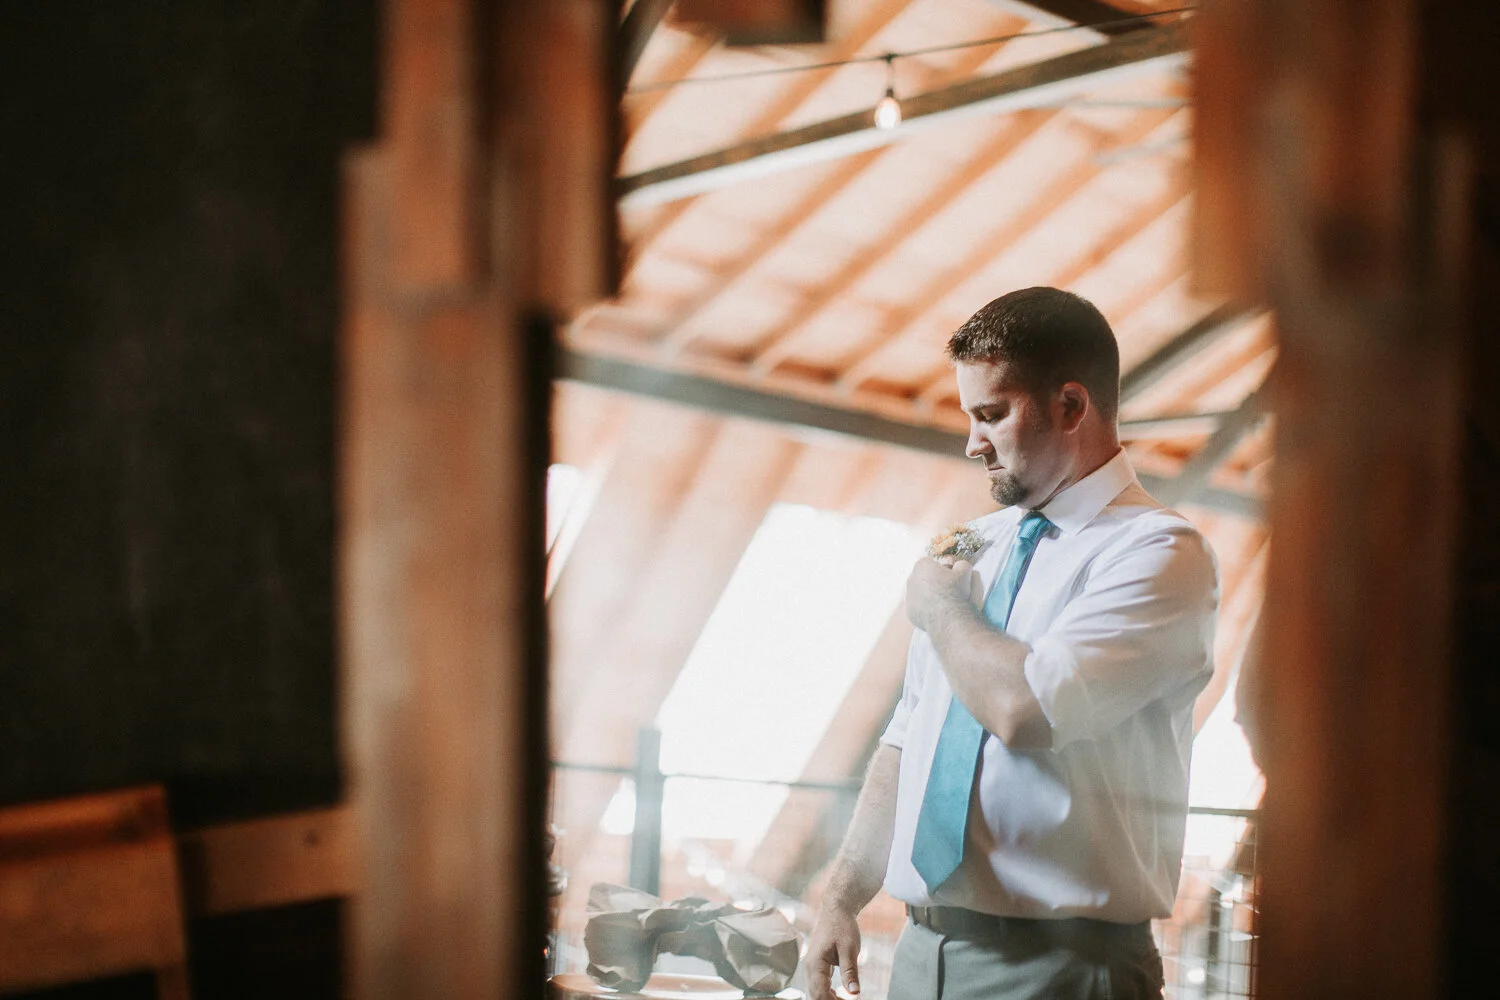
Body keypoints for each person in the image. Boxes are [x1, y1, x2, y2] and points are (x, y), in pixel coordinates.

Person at [806, 287, 1219, 1000]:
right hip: (920, 952)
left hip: (1064, 970)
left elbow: (1028, 711)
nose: (973, 441)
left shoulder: (1160, 553)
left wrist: (938, 608)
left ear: (1070, 406)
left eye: (991, 414)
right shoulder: (975, 544)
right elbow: (909, 736)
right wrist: (841, 896)